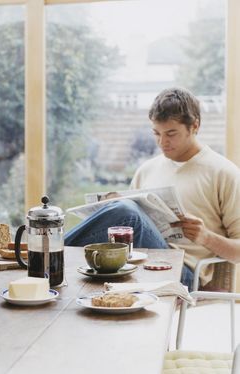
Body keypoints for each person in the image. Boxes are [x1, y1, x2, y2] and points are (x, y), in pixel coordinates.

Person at [65, 87, 240, 289]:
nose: (162, 142)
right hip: (134, 265)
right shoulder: (147, 170)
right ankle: (49, 259)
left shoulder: (223, 173)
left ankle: (45, 256)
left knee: (127, 212)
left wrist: (205, 237)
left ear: (194, 126)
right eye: (156, 133)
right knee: (123, 212)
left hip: (182, 274)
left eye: (171, 134)